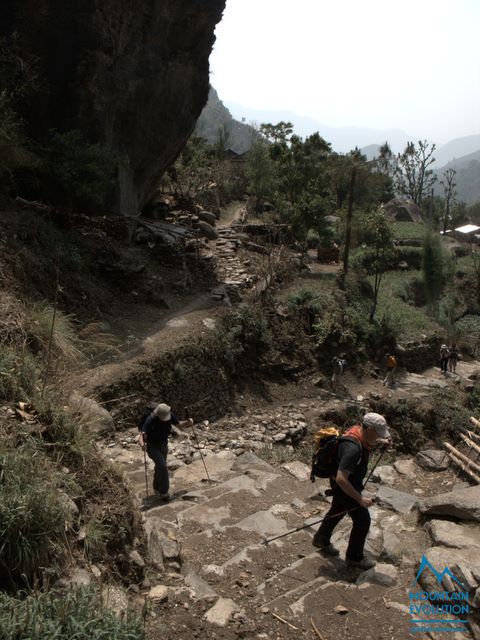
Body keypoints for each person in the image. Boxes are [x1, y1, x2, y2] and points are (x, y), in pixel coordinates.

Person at [312, 412, 391, 569]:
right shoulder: (353, 450)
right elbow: (342, 478)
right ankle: (354, 558)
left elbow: (367, 440)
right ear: (369, 429)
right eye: (378, 434)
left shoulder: (357, 430)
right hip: (344, 485)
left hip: (338, 483)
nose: (378, 437)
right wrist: (360, 499)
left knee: (338, 510)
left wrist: (380, 440)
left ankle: (321, 538)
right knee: (363, 520)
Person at [139, 403, 193, 501]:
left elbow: (179, 424)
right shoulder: (150, 419)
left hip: (163, 444)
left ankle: (156, 487)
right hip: (152, 446)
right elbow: (142, 435)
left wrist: (188, 422)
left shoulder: (169, 414)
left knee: (159, 466)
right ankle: (164, 492)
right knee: (163, 466)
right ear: (158, 415)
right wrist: (142, 444)